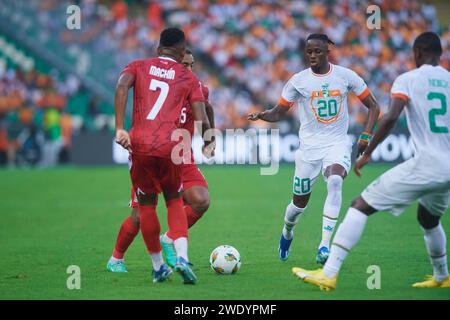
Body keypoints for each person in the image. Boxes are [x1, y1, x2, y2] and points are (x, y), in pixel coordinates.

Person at [293, 31, 450, 290]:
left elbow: (389, 117)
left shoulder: (407, 80)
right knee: (428, 218)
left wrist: (367, 153)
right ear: (440, 54)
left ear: (417, 53)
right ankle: (442, 276)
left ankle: (328, 273)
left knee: (360, 206)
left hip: (427, 163)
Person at [248, 34, 380, 265]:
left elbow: (373, 106)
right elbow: (279, 112)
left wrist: (366, 135)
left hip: (337, 143)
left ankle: (324, 246)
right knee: (298, 206)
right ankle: (287, 232)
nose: (312, 55)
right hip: (308, 149)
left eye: (317, 51)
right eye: (309, 51)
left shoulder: (345, 76)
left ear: (327, 51)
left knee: (336, 180)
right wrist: (262, 114)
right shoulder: (299, 81)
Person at [114, 28, 211, 284]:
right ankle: (180, 257)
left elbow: (121, 85)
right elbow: (202, 118)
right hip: (171, 147)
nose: (187, 66)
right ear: (181, 54)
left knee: (147, 207)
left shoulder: (139, 66)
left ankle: (158, 266)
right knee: (173, 202)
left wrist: (119, 128)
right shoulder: (187, 80)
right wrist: (210, 140)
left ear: (159, 49)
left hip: (140, 144)